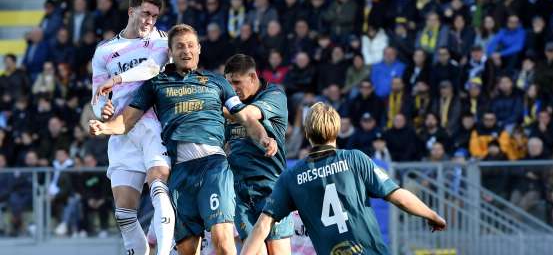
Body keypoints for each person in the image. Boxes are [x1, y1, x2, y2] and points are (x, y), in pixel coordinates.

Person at [89, 24, 277, 255]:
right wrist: (104, 127)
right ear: (170, 51)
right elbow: (126, 121)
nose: (186, 51)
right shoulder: (155, 85)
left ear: (199, 49)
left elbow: (245, 117)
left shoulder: (217, 82)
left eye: (190, 46)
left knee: (223, 243)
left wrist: (263, 137)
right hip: (179, 172)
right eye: (179, 46)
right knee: (187, 250)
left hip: (213, 166)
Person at [241, 102, 446, 255]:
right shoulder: (355, 159)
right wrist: (431, 215)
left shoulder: (291, 176)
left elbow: (262, 225)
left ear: (307, 133)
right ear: (337, 130)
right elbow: (398, 196)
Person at [90, 0, 174, 255]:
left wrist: (117, 79)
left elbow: (150, 68)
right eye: (146, 13)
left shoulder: (163, 42)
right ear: (131, 12)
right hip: (121, 130)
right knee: (124, 214)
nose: (150, 20)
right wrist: (103, 110)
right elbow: (96, 96)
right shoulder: (105, 51)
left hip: (154, 125)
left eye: (155, 15)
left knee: (159, 187)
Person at [223, 54, 293, 254]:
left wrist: (213, 107)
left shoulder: (274, 95)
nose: (232, 89)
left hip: (271, 187)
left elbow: (248, 115)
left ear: (253, 77)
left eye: (237, 82)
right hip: (240, 191)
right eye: (228, 83)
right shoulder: (230, 104)